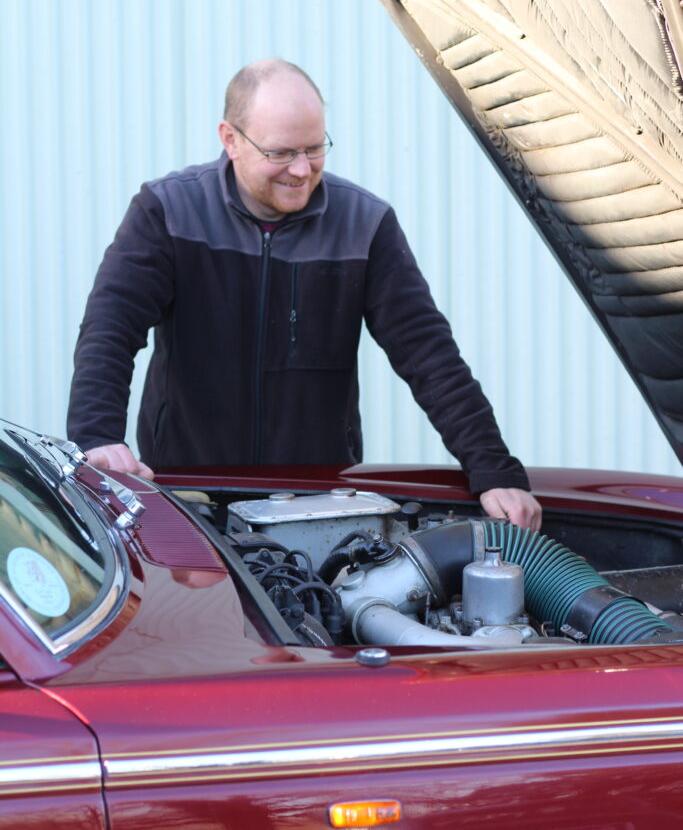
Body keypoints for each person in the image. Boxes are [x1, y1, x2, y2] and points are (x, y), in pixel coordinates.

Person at [67, 59, 541, 529]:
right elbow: (111, 328)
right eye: (281, 152)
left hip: (318, 498)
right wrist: (98, 437)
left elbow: (427, 352)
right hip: (190, 487)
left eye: (315, 149)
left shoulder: (364, 225)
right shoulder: (168, 212)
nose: (300, 169)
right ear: (230, 139)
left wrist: (493, 469)